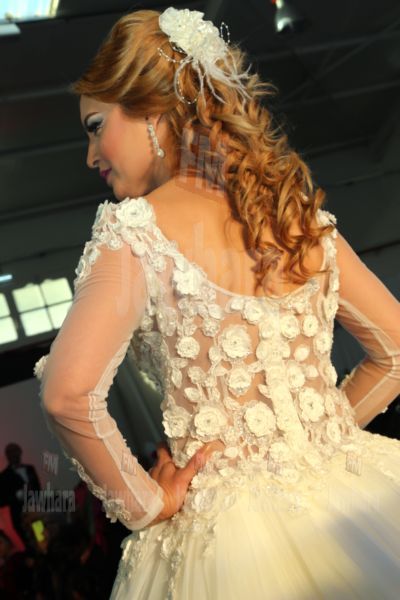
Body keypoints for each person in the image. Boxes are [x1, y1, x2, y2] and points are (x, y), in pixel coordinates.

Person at [33, 6, 400, 599]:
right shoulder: (299, 219)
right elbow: (396, 351)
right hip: (363, 503)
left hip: (227, 544)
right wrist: (321, 441)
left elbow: (66, 395)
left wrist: (148, 504)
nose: (91, 155)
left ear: (152, 111)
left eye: (96, 127)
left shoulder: (135, 232)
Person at [0, 443, 42, 552]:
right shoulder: (3, 477)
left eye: (15, 451)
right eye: (10, 452)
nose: (13, 454)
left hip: (36, 512)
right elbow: (1, 501)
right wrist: (17, 495)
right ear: (7, 456)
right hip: (20, 517)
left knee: (43, 540)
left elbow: (38, 489)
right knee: (33, 546)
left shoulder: (30, 469)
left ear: (20, 452)